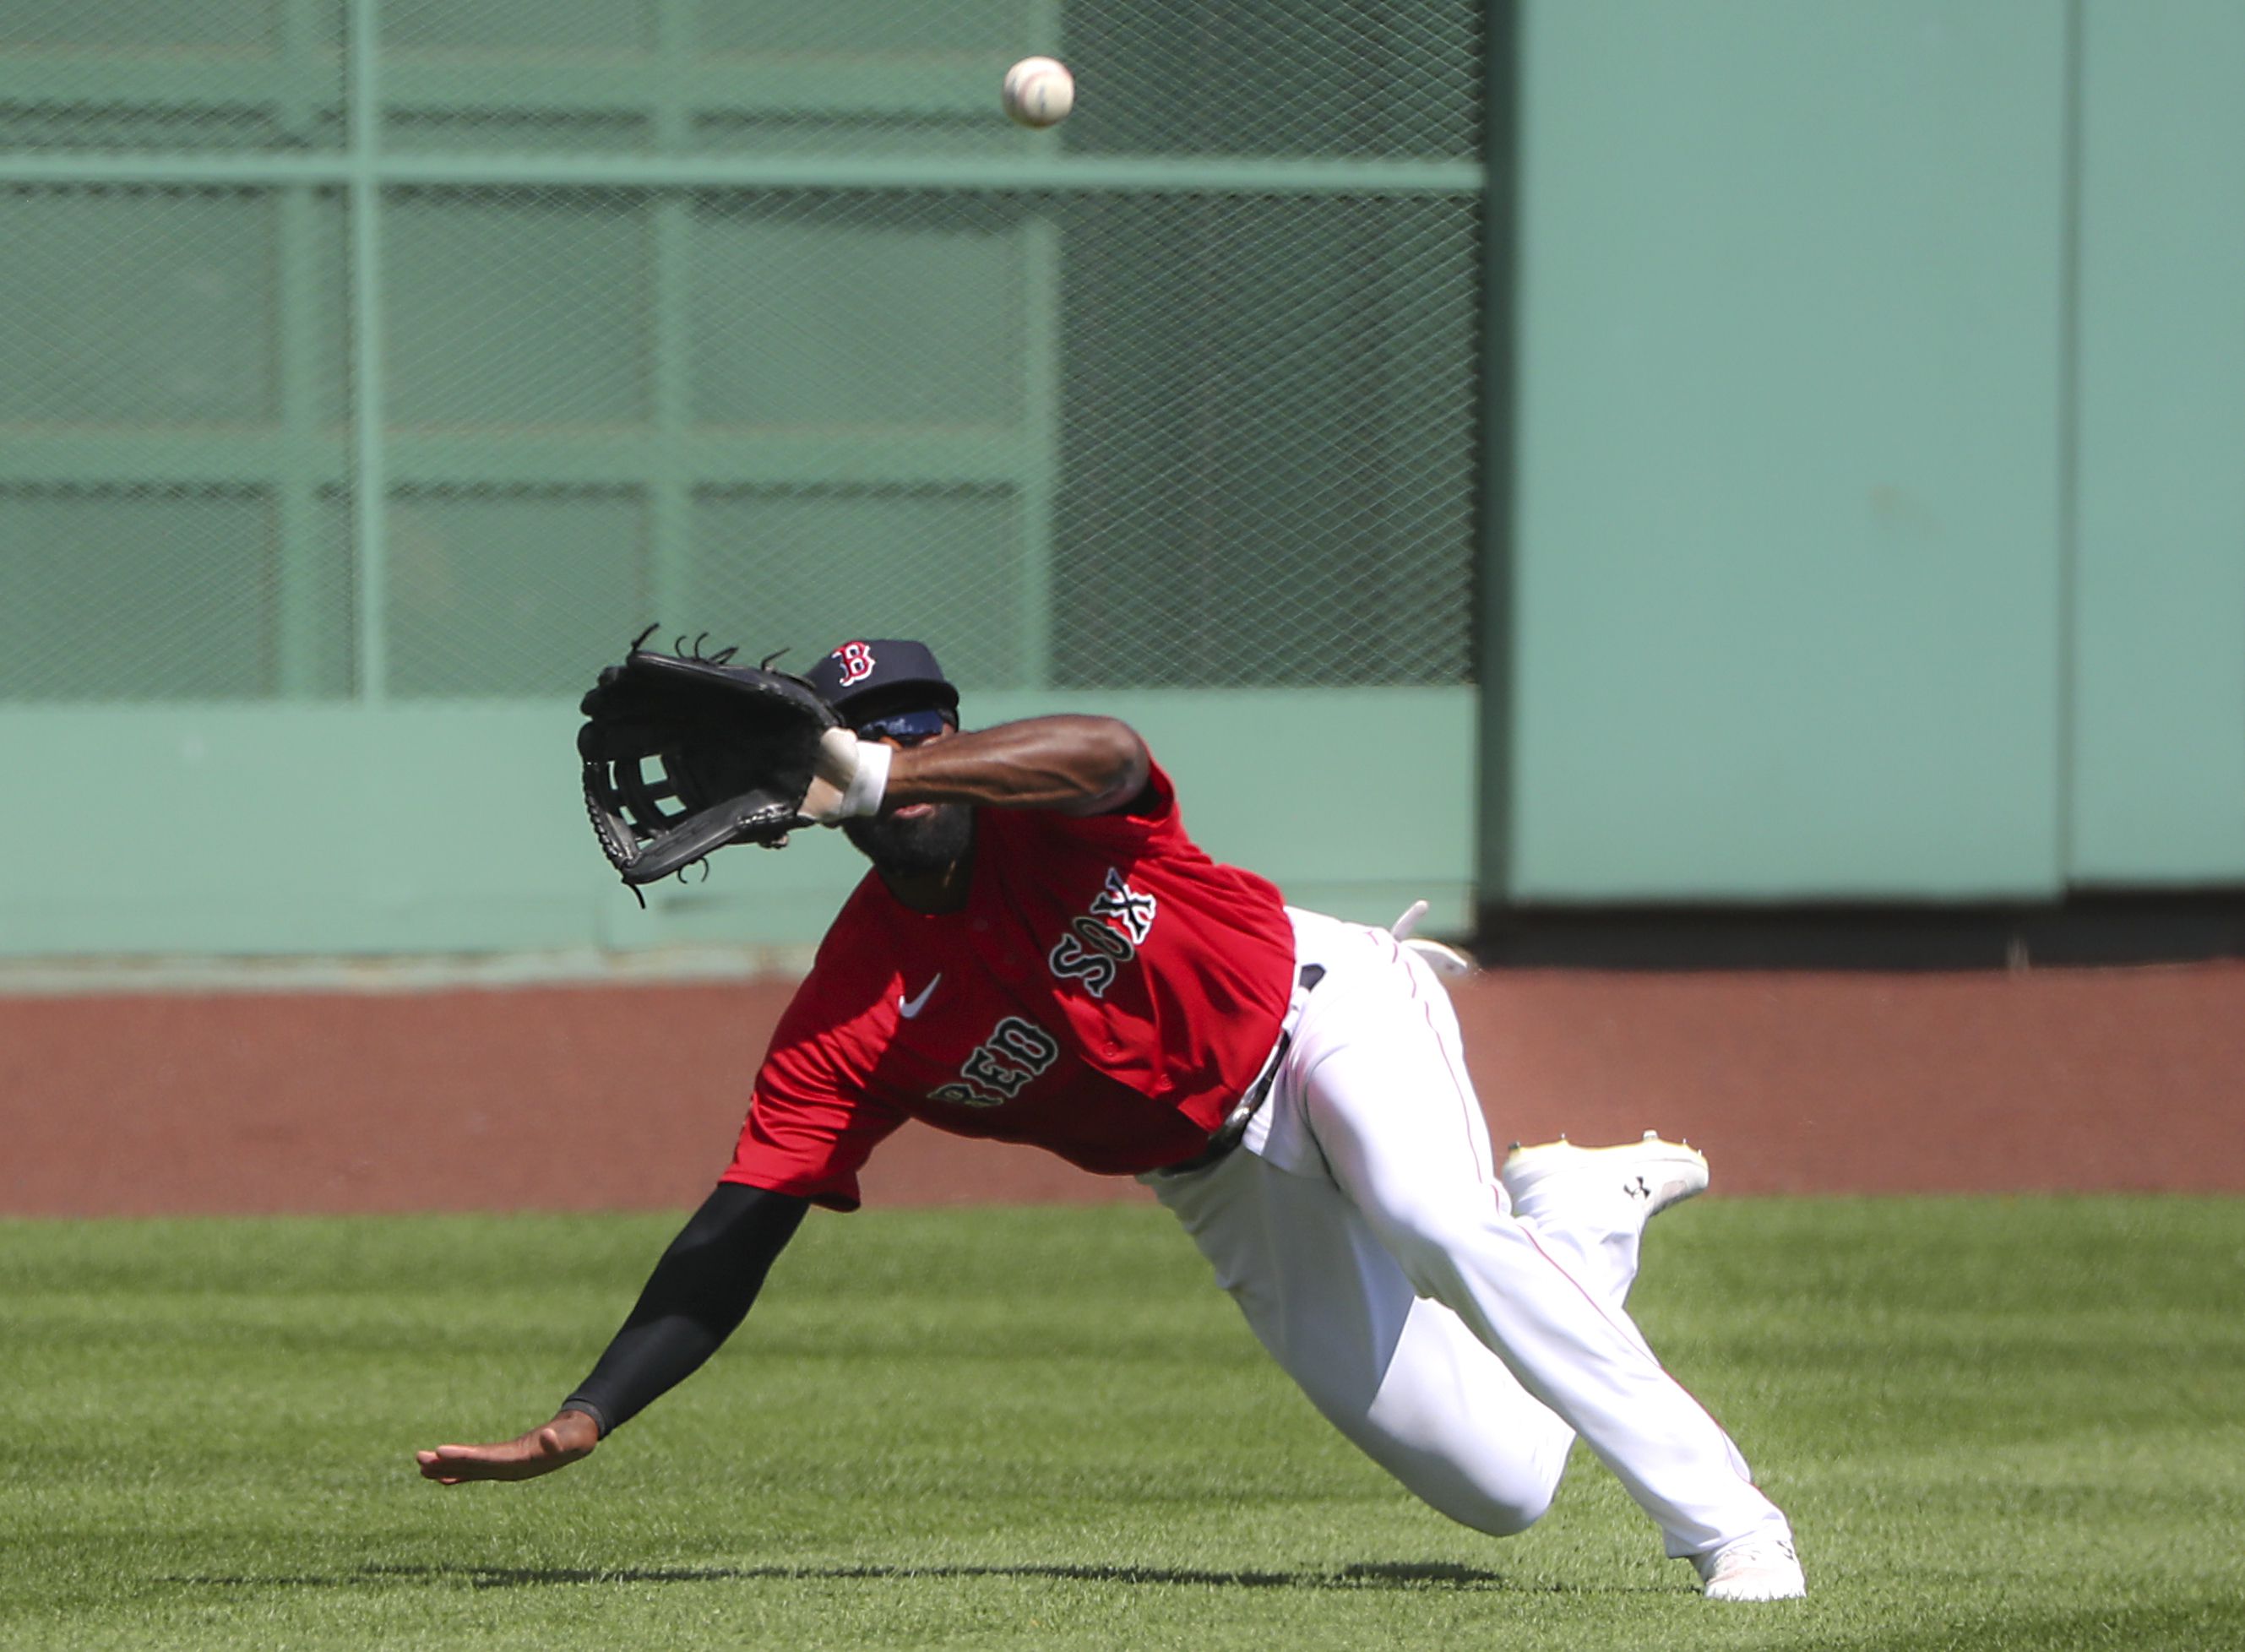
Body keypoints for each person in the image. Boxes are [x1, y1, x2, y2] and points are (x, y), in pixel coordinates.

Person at [416, 638, 1806, 1603]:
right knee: (1498, 1489)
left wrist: (896, 773)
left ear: (947, 734)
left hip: (1323, 1016)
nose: (886, 747)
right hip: (1208, 1177)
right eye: (856, 735)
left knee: (1438, 1216)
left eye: (908, 720)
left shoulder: (1052, 803)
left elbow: (1108, 749)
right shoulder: (849, 1015)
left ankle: (1730, 1529)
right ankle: (1576, 1217)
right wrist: (586, 1418)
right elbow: (736, 1232)